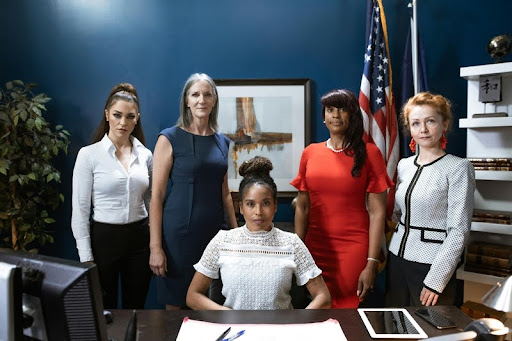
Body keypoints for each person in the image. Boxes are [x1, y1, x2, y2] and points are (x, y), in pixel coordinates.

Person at [291, 89, 393, 308]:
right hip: (314, 249)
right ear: (323, 117)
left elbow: (377, 213)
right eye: (330, 110)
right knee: (316, 312)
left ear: (353, 115)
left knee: (347, 311)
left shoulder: (370, 153)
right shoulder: (310, 153)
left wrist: (371, 263)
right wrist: (297, 250)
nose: (335, 115)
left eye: (342, 109)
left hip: (353, 248)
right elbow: (303, 207)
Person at [186, 156, 331, 310]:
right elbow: (193, 296)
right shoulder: (223, 241)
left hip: (279, 329)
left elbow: (323, 297)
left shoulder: (292, 243)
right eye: (250, 204)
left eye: (266, 203)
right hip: (236, 329)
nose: (258, 212)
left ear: (275, 206)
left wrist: (295, 323)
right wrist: (225, 314)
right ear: (241, 207)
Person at [149, 73, 238, 310]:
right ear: (186, 101)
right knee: (176, 306)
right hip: (178, 237)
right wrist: (155, 247)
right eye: (195, 94)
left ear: (214, 100)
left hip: (216, 235)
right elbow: (156, 196)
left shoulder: (223, 142)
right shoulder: (169, 138)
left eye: (207, 94)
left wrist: (237, 235)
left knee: (213, 304)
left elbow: (225, 193)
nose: (202, 100)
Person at [386, 92, 475, 307]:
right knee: (395, 326)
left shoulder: (458, 167)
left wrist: (437, 280)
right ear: (409, 128)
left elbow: (459, 230)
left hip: (432, 263)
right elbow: (399, 213)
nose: (423, 130)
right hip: (397, 258)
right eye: (415, 123)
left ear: (444, 124)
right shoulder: (404, 165)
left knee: (431, 330)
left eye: (430, 121)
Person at [71, 83, 152, 309]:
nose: (123, 123)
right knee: (104, 309)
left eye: (130, 116)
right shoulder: (89, 155)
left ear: (137, 119)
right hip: (104, 239)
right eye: (117, 115)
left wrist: (155, 244)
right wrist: (86, 257)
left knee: (136, 307)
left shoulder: (146, 155)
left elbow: (152, 201)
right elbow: (80, 211)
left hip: (139, 239)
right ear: (107, 115)